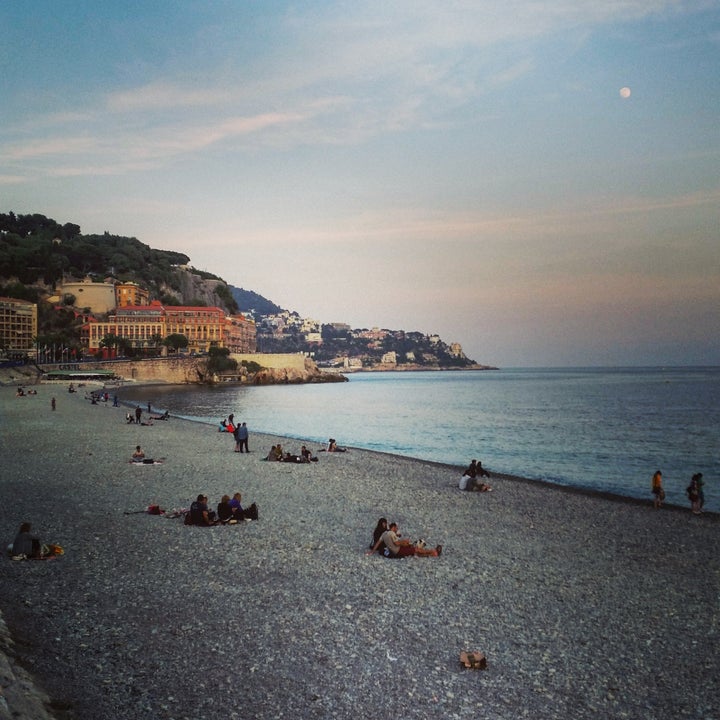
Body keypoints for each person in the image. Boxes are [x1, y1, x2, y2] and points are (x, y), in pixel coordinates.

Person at [367, 522, 441, 558]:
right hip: (398, 551)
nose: (397, 529)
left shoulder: (384, 534)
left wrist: (372, 551)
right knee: (415, 549)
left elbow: (377, 543)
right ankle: (433, 551)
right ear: (393, 527)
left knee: (413, 550)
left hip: (395, 550)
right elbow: (397, 543)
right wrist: (405, 541)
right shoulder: (391, 533)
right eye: (396, 528)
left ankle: (431, 554)